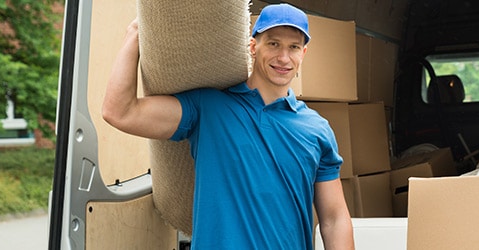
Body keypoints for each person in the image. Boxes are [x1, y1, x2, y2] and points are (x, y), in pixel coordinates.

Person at [102, 3, 354, 249]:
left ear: (303, 54)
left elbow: (333, 219)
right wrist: (136, 33)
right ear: (253, 46)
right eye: (274, 44)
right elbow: (120, 111)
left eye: (294, 47)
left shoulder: (317, 129)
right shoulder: (209, 108)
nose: (283, 57)